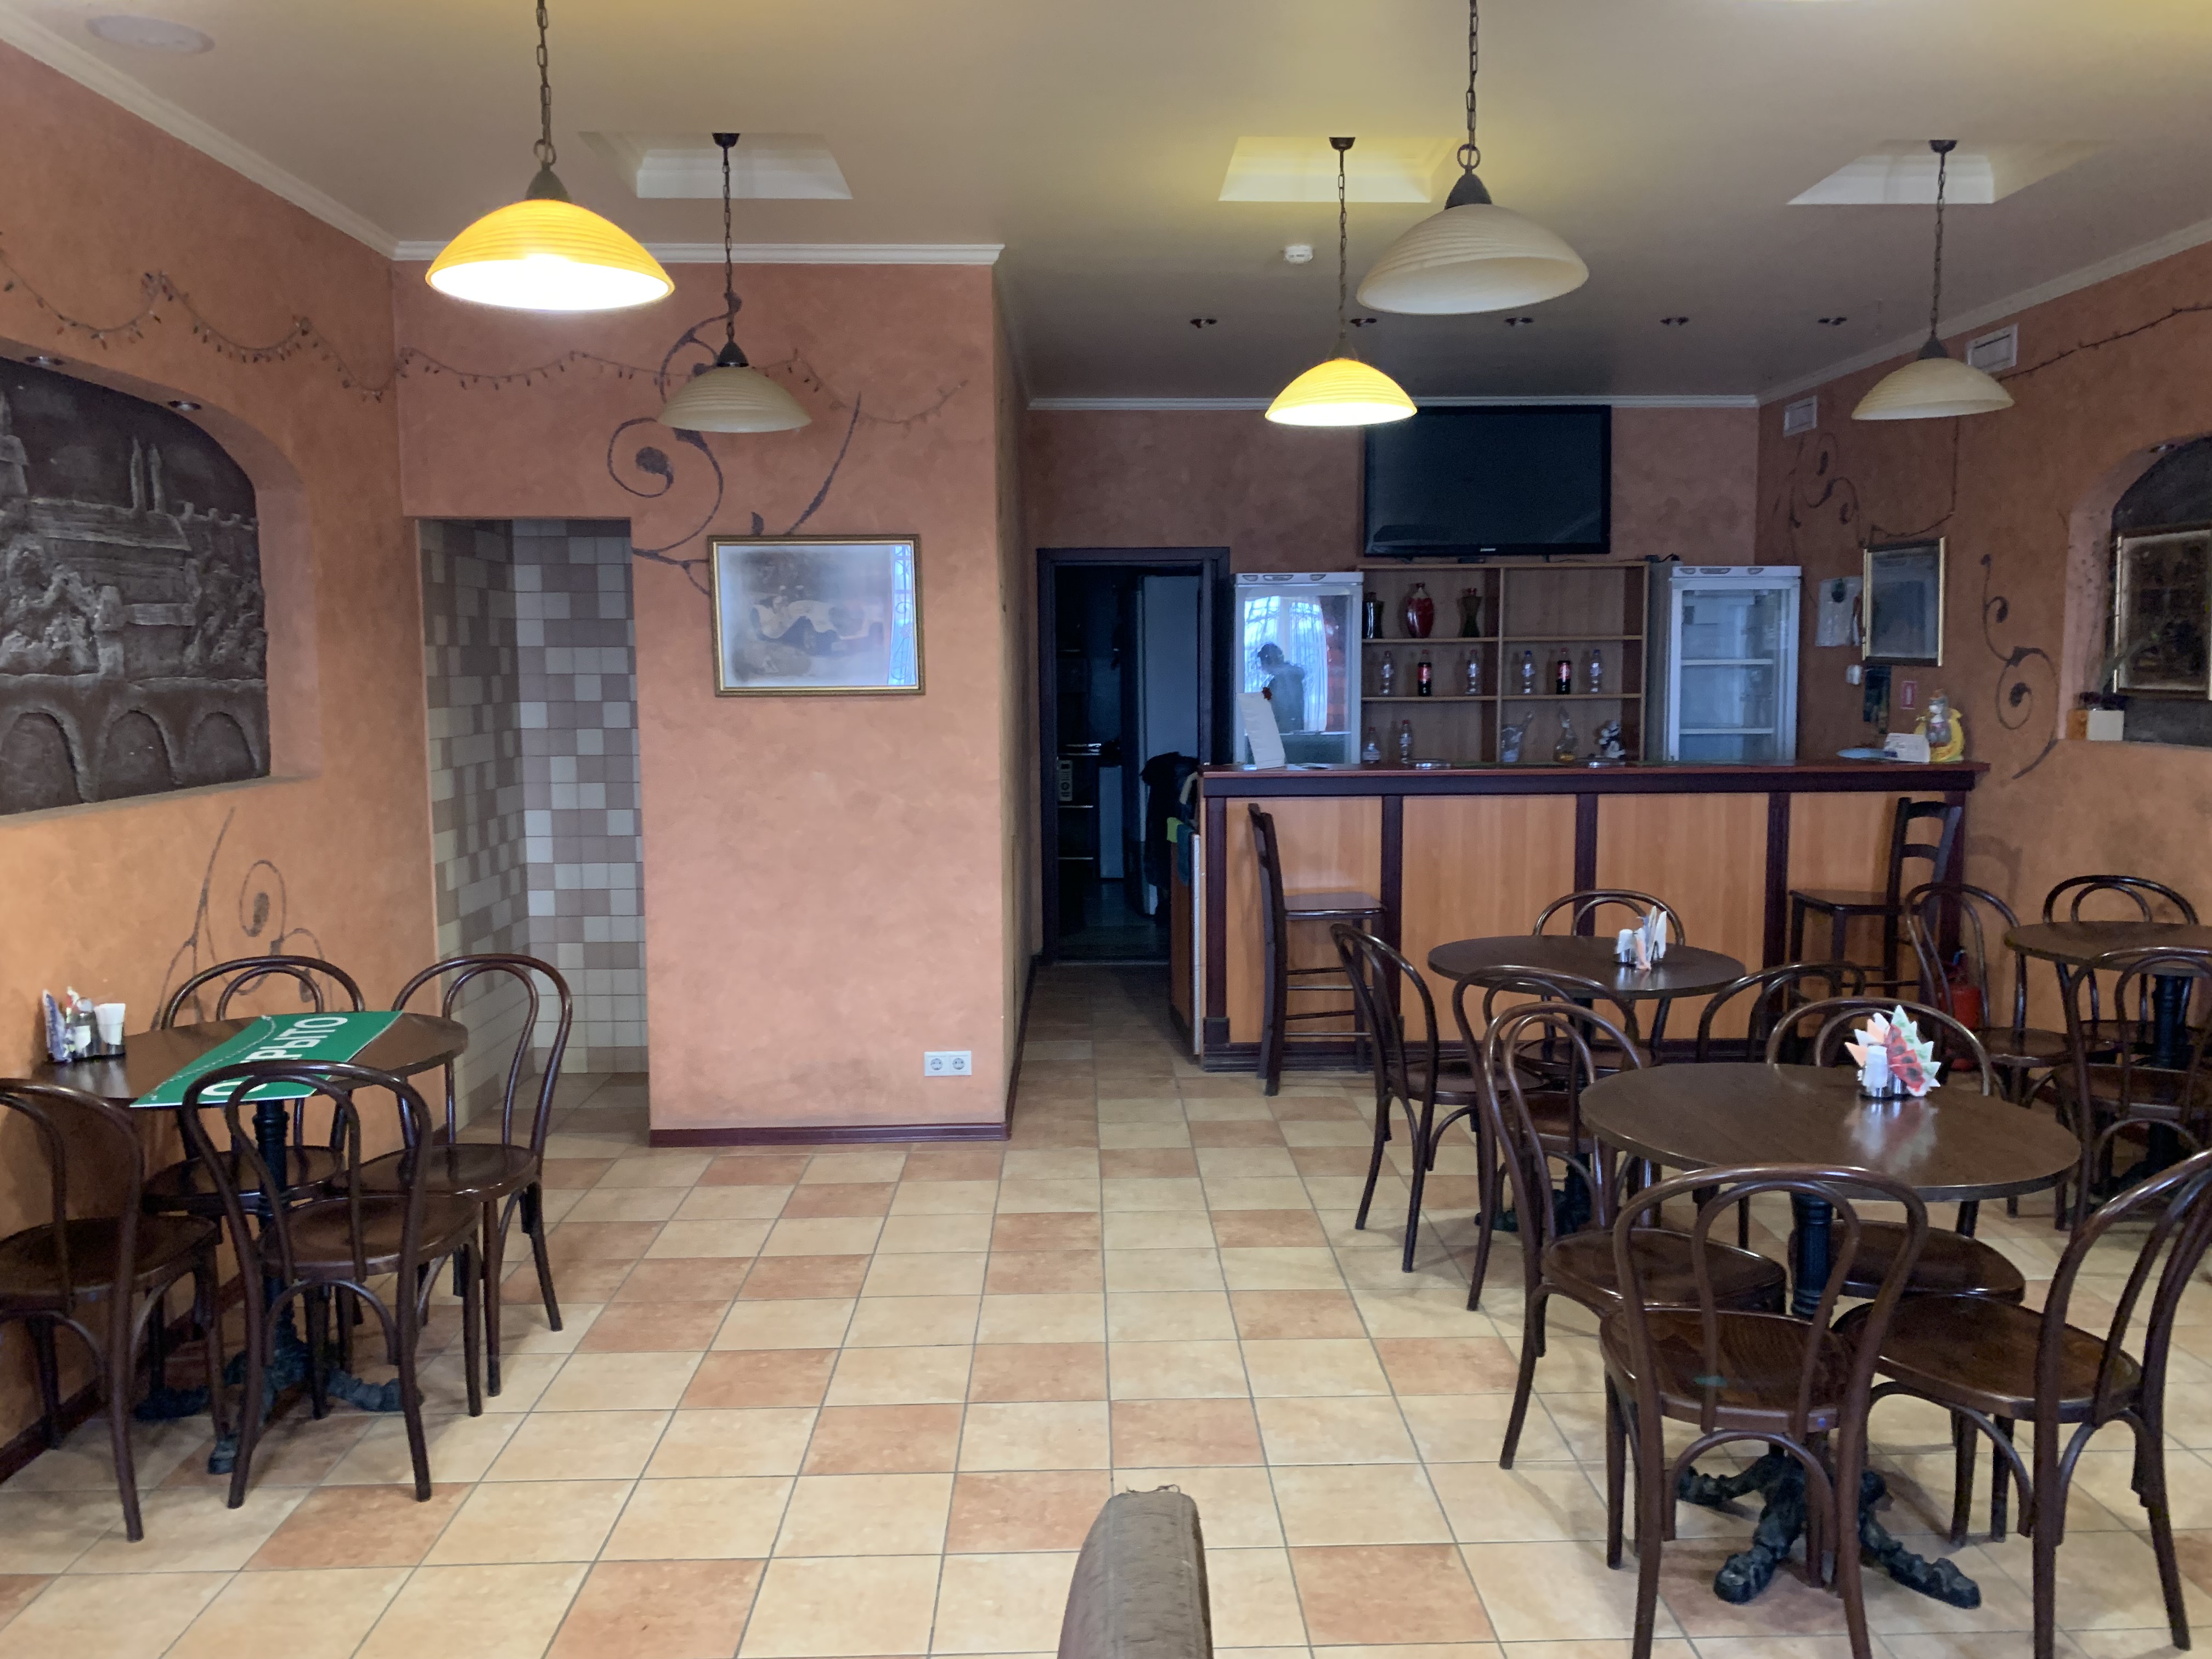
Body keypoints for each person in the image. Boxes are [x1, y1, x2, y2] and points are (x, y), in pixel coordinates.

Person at [1255, 643, 1307, 733]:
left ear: (1270, 661)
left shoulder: (1284, 679)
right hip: (1289, 732)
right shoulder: (1289, 677)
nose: (1262, 667)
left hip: (1284, 733)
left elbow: (1278, 708)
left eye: (1263, 663)